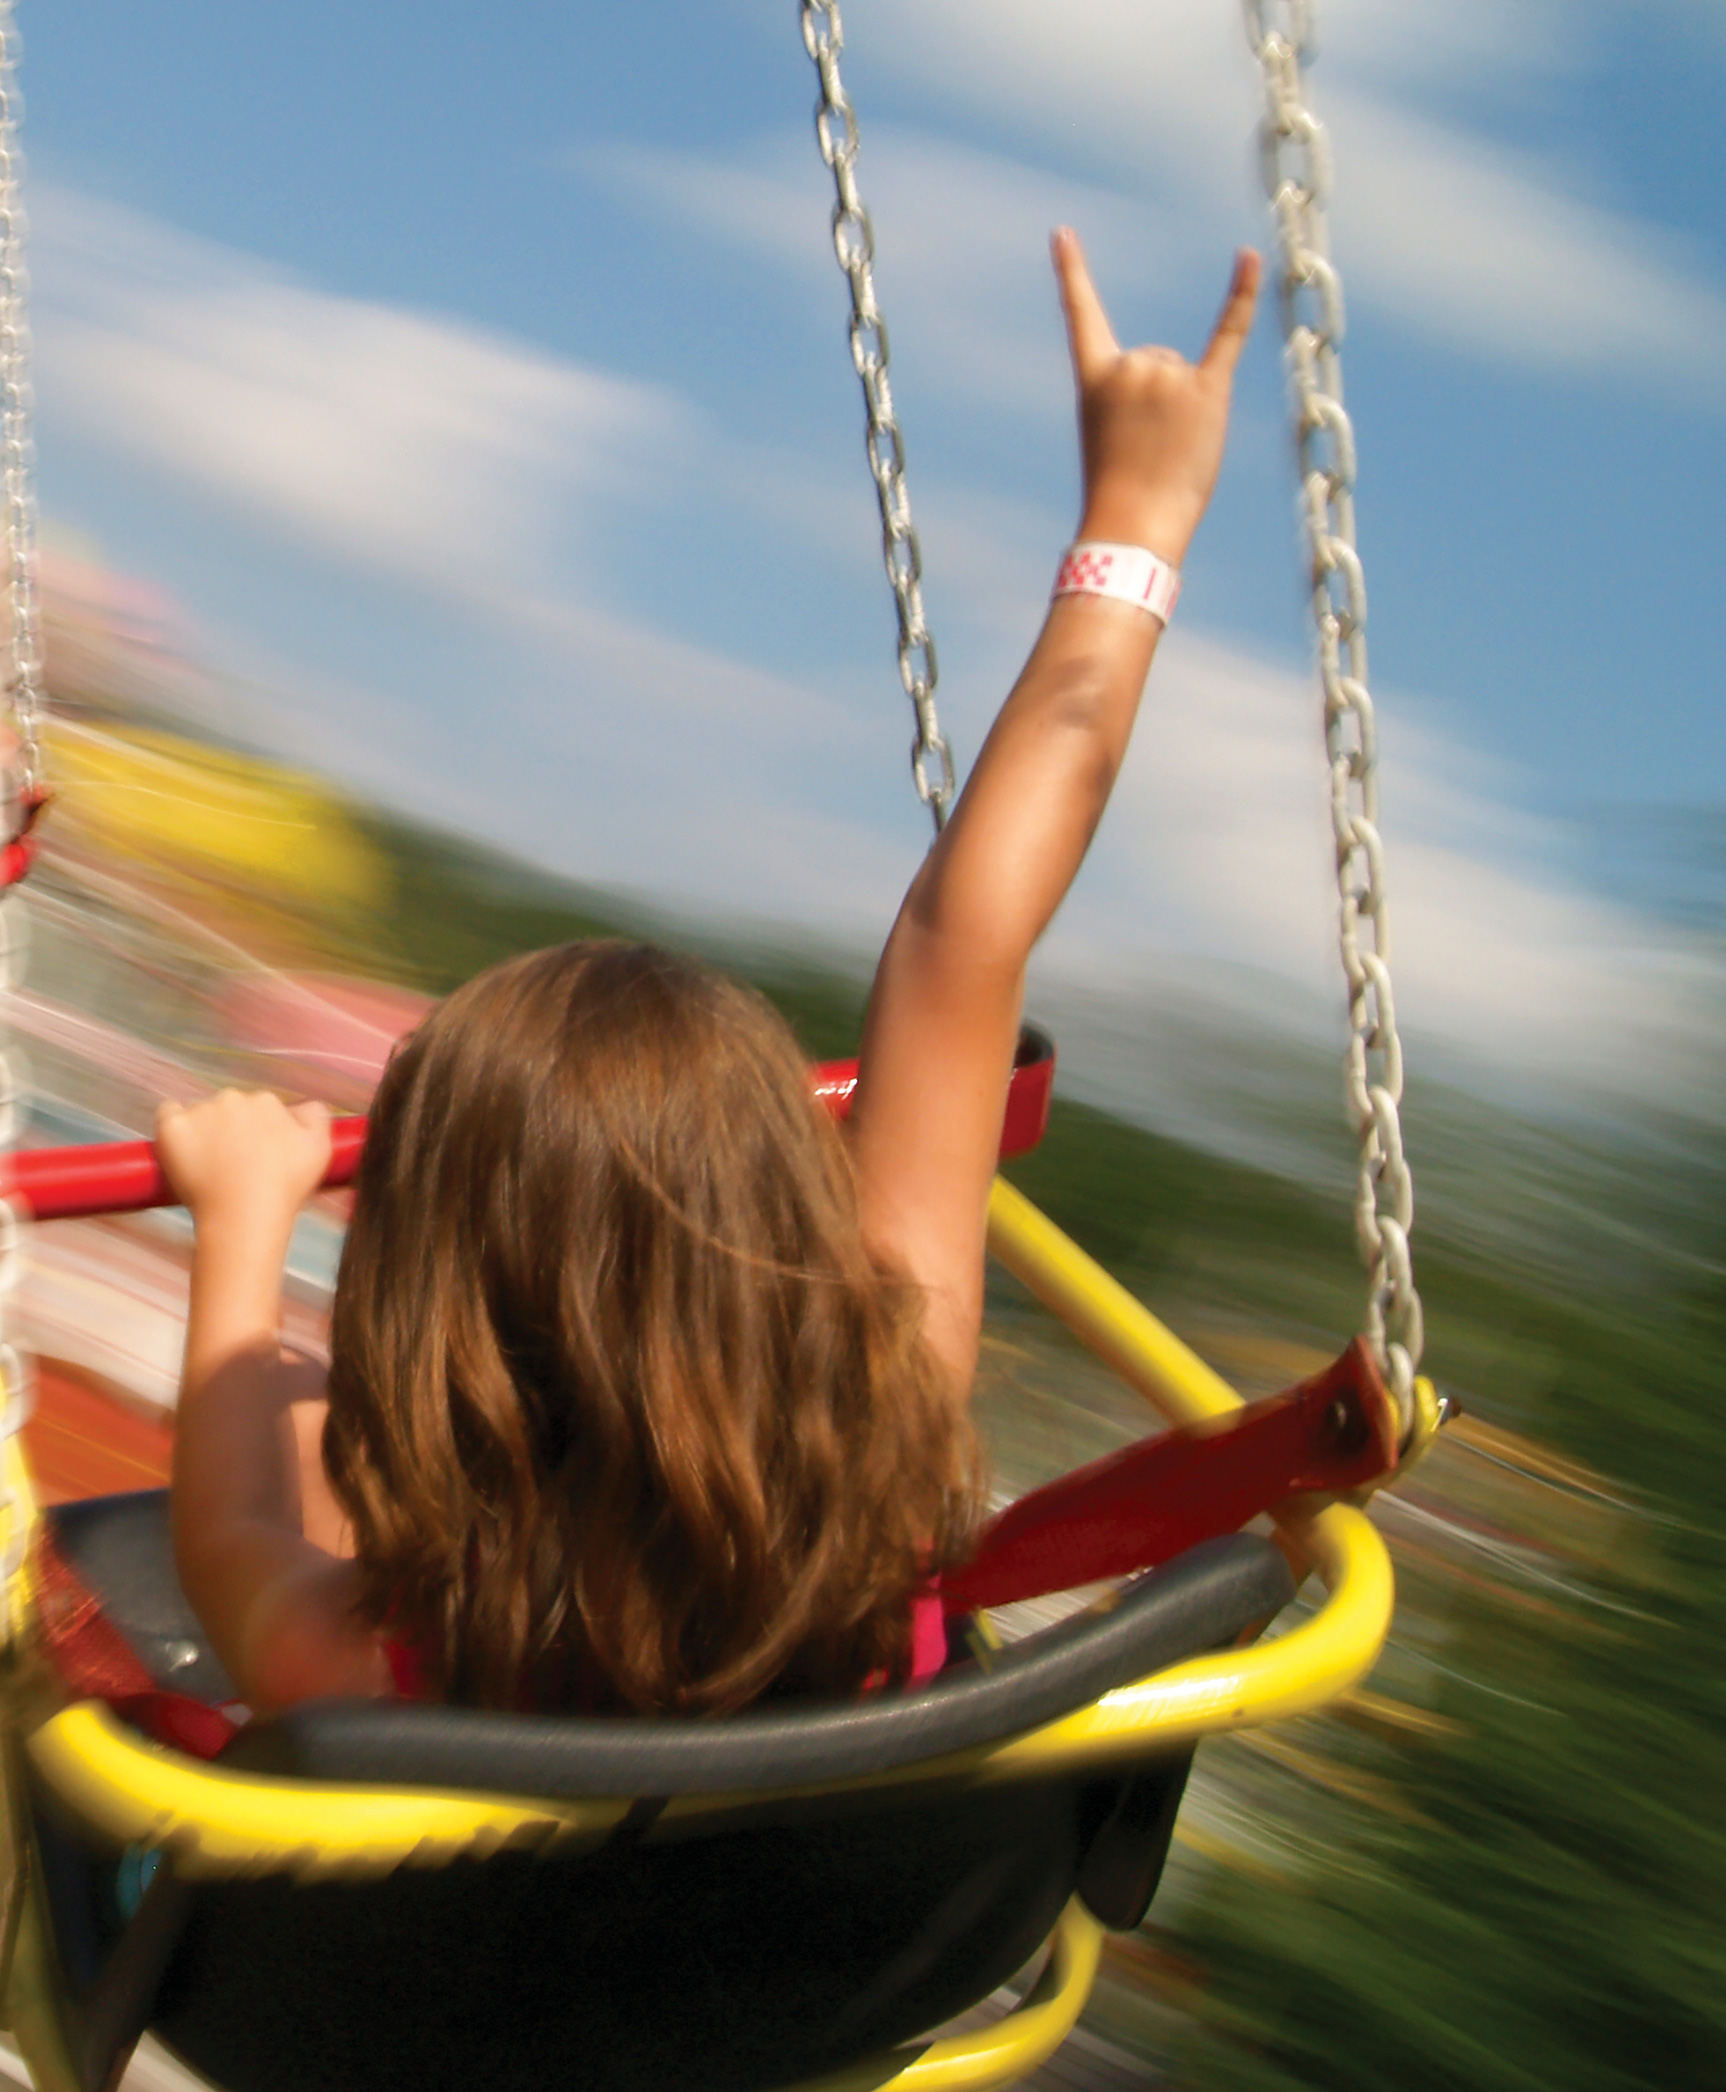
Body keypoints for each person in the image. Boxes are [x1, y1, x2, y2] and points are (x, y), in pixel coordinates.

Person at [155, 229, 1262, 1721]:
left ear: (440, 1298)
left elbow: (223, 1536)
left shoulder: (380, 1661)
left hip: (468, 1937)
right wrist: (1140, 520)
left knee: (290, 1424)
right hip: (831, 1950)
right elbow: (967, 941)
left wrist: (239, 1228)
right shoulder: (891, 1462)